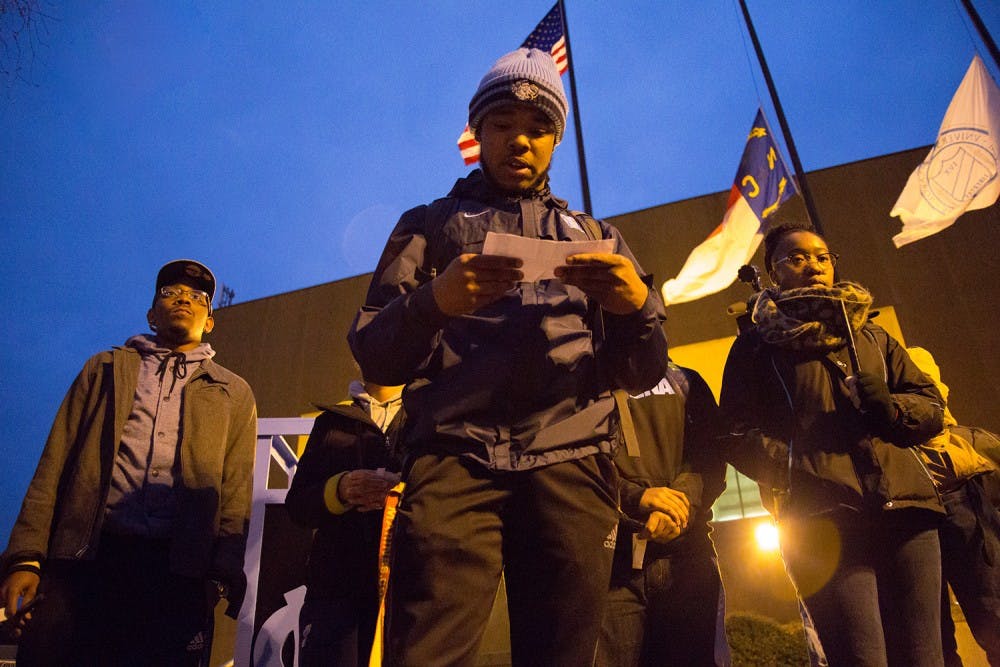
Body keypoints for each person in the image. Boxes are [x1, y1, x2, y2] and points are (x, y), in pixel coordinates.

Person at [347, 47, 668, 666]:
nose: (520, 141)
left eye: (538, 129)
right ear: (477, 132)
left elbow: (640, 373)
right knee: (428, 653)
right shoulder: (428, 225)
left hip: (573, 465)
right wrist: (433, 302)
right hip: (453, 459)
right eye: (502, 126)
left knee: (564, 655)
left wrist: (638, 308)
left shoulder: (596, 237)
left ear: (555, 141)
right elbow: (375, 358)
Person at [0, 259, 257, 666]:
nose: (183, 300)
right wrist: (26, 558)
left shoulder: (233, 392)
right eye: (170, 293)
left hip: (177, 573)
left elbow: (236, 489)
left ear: (210, 321)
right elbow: (55, 461)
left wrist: (220, 572)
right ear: (152, 314)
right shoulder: (104, 369)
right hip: (88, 560)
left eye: (197, 297)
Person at [719, 221, 946, 666]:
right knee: (862, 657)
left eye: (822, 257)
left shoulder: (871, 333)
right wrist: (793, 462)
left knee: (925, 657)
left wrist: (892, 408)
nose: (814, 266)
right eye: (797, 258)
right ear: (774, 270)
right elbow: (735, 432)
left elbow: (931, 406)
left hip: (907, 514)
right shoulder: (755, 347)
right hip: (821, 521)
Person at [596, 361, 731, 666]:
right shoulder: (582, 385)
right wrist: (636, 498)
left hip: (686, 557)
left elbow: (710, 457)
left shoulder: (685, 380)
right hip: (612, 566)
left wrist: (680, 503)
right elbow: (576, 467)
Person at [284, 379, 404, 667]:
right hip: (336, 590)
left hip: (406, 589)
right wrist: (339, 489)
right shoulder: (332, 422)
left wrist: (403, 492)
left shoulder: (428, 417)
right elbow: (298, 505)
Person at [905, 347, 1000, 667]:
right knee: (934, 637)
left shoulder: (903, 356)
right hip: (932, 497)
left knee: (934, 636)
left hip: (933, 496)